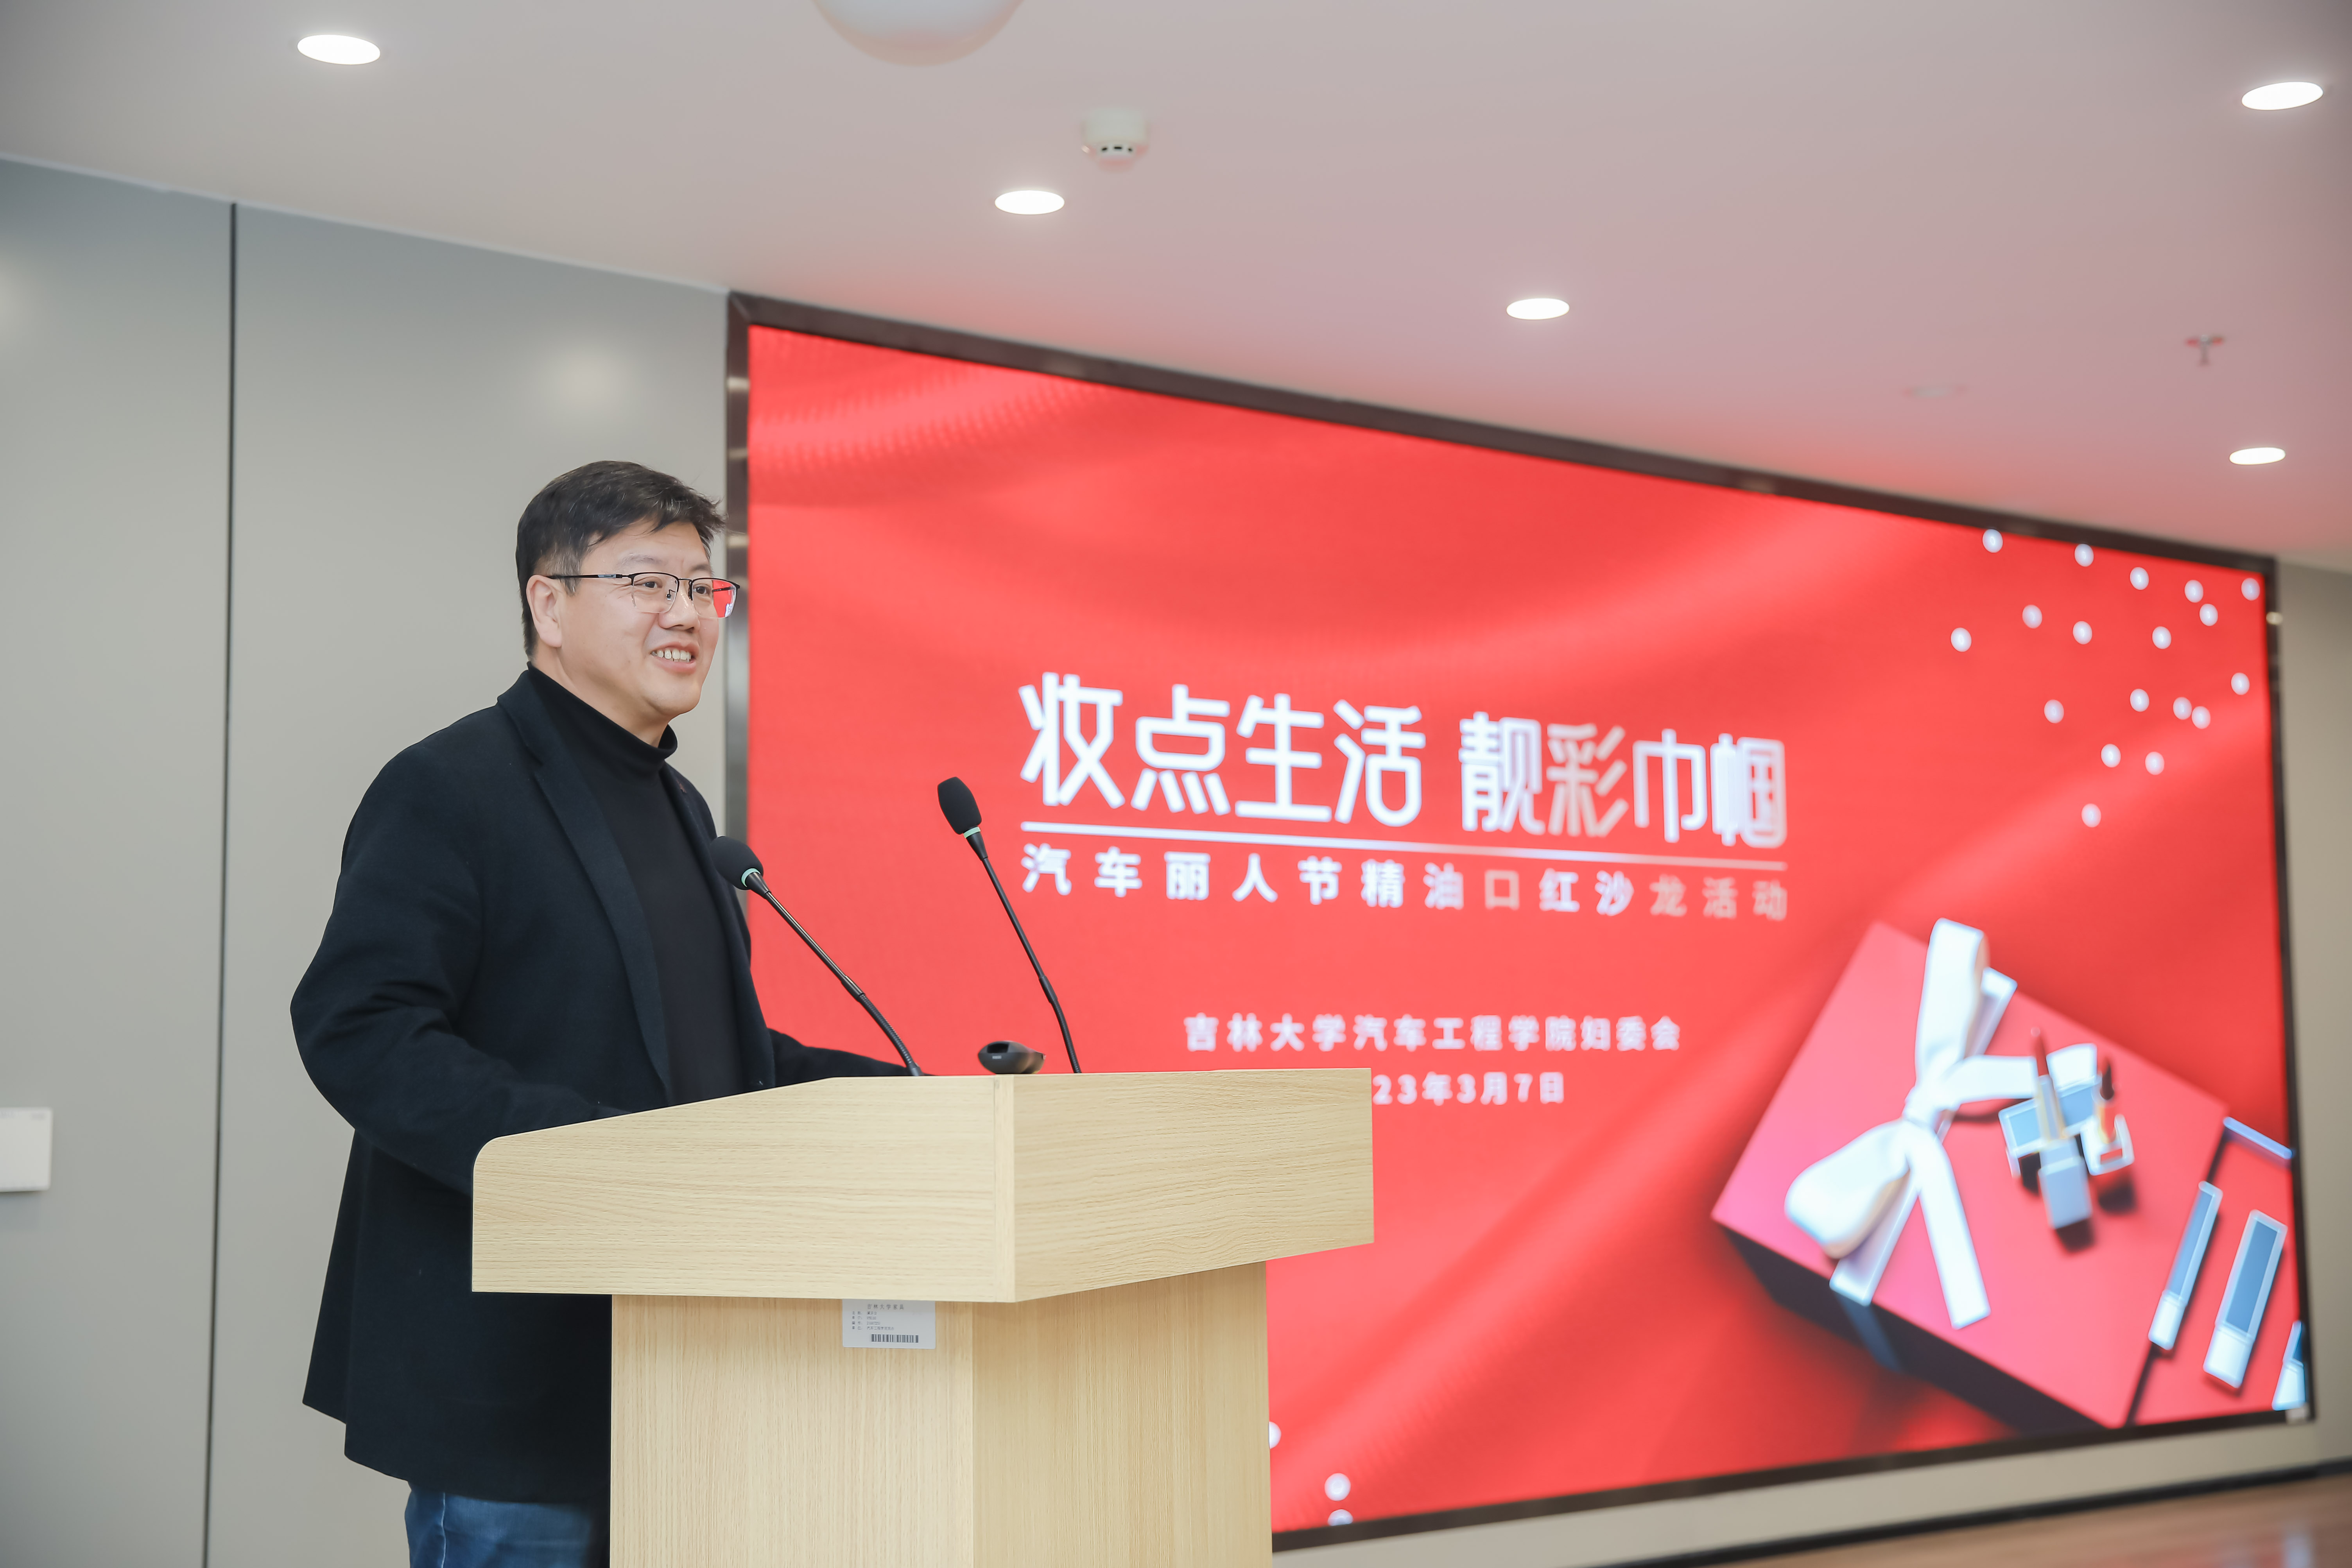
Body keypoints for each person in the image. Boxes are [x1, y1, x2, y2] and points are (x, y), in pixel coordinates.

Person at [292, 461, 905, 1568]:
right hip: (512, 1377)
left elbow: (711, 1057)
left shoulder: (683, 811)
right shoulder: (452, 784)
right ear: (548, 602)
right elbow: (361, 1027)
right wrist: (591, 1157)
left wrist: (911, 1094)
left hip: (684, 1370)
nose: (687, 614)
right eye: (648, 582)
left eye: (704, 589)